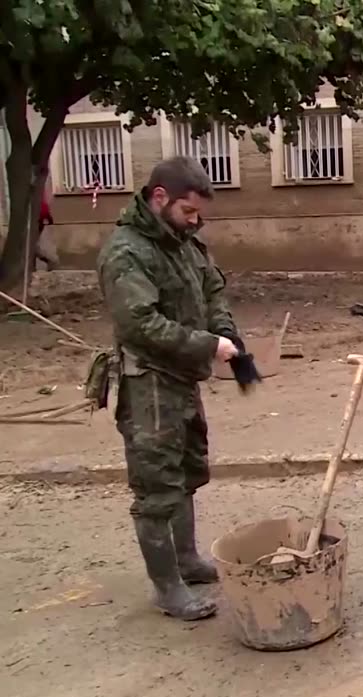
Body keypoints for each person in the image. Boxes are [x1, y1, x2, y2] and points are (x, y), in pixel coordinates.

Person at [98, 157, 259, 621]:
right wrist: (209, 345)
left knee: (187, 474)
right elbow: (139, 324)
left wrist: (228, 335)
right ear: (160, 198)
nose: (196, 220)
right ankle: (167, 587)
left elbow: (212, 292)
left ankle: (186, 560)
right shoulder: (127, 253)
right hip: (148, 383)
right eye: (188, 211)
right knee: (156, 487)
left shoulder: (185, 243)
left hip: (183, 378)